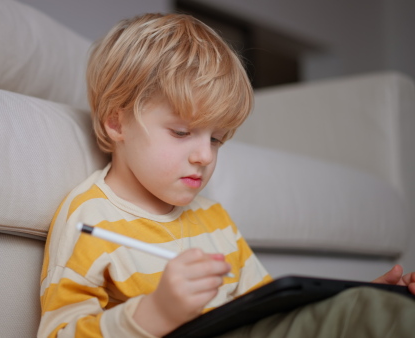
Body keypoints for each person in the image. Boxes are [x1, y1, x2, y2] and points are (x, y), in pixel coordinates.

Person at [38, 13, 415, 338]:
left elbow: (267, 312)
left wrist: (345, 303)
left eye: (216, 139)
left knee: (368, 312)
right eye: (182, 133)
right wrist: (153, 315)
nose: (204, 155)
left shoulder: (212, 218)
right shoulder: (89, 219)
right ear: (116, 122)